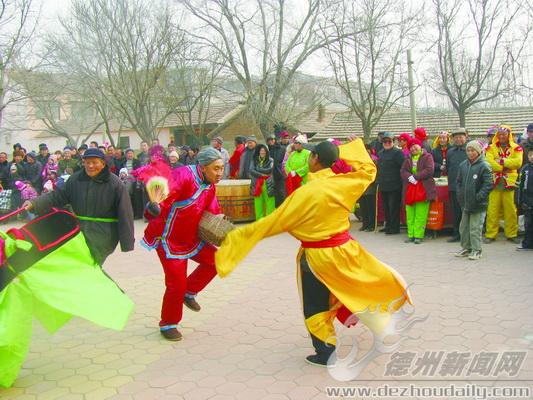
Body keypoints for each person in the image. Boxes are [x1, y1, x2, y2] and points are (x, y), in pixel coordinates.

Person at [215, 138, 411, 366]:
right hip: (346, 250)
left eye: (312, 155)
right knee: (356, 287)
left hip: (318, 258)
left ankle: (326, 351)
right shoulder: (346, 183)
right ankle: (382, 321)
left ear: (315, 158)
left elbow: (271, 223)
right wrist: (350, 148)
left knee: (315, 304)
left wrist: (236, 238)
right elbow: (368, 169)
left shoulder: (305, 194)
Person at [141, 148, 225, 341]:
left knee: (217, 260)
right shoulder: (183, 176)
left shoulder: (210, 185)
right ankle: (168, 324)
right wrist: (153, 208)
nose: (220, 173)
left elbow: (212, 210)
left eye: (222, 168)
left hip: (192, 238)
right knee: (175, 284)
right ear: (203, 167)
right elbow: (162, 197)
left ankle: (189, 291)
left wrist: (221, 224)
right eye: (216, 168)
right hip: (168, 239)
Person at [23, 148, 135, 265]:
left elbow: (125, 213)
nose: (90, 166)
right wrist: (34, 203)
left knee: (91, 262)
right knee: (81, 264)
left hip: (104, 233)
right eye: (87, 162)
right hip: (79, 230)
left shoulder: (114, 183)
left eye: (94, 162)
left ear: (102, 163)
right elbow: (57, 196)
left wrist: (127, 242)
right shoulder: (75, 180)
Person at [454, 141, 493, 260]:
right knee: (464, 227)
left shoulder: (484, 166)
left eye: (473, 150)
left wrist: (478, 197)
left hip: (478, 204)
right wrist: (460, 195)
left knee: (475, 228)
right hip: (465, 203)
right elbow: (459, 182)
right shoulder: (463, 165)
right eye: (468, 150)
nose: (470, 153)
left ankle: (477, 250)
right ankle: (466, 248)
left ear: (479, 151)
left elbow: (488, 185)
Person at [484, 125, 522, 244]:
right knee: (492, 210)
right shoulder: (490, 148)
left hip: (510, 183)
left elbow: (518, 163)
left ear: (509, 135)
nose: (501, 136)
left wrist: (501, 161)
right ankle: (490, 234)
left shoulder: (517, 148)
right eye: (499, 134)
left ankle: (511, 234)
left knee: (510, 210)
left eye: (504, 134)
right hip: (495, 183)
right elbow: (488, 162)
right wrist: (504, 166)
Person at [401, 138, 436, 244]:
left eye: (415, 145)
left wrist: (416, 177)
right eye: (411, 146)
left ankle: (418, 236)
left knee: (420, 214)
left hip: (423, 189)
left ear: (420, 146)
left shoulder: (428, 156)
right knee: (410, 213)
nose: (413, 148)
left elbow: (430, 170)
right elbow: (403, 171)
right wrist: (409, 177)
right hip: (410, 189)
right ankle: (411, 235)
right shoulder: (407, 158)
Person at [376, 132, 404, 235]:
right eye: (385, 141)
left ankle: (394, 228)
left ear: (393, 141)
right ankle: (388, 225)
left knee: (393, 207)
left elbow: (403, 167)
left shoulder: (398, 153)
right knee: (386, 207)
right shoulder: (381, 153)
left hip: (395, 185)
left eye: (389, 141)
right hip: (383, 184)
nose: (387, 143)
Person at [445, 128, 468, 242]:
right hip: (453, 186)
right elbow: (449, 168)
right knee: (456, 211)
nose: (458, 139)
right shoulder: (450, 152)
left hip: (467, 186)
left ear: (466, 137)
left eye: (461, 136)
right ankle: (456, 233)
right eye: (456, 137)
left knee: (466, 210)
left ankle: (467, 234)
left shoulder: (470, 150)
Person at [249, 144, 275, 220]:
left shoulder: (271, 160)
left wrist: (258, 169)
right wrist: (262, 175)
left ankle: (269, 222)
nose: (262, 152)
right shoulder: (254, 160)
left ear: (267, 152)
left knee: (270, 204)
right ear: (258, 151)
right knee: (258, 205)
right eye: (261, 150)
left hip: (268, 185)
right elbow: (251, 170)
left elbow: (269, 170)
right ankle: (259, 223)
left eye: (264, 150)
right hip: (257, 185)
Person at [517, 147, 533, 250]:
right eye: (530, 155)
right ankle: (527, 244)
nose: (532, 157)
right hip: (528, 202)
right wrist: (520, 200)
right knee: (528, 224)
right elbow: (520, 186)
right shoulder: (525, 169)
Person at [272, 131, 289, 206]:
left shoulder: (291, 147)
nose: (285, 139)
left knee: (284, 192)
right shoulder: (278, 148)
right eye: (284, 138)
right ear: (280, 139)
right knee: (279, 192)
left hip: (287, 172)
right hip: (278, 173)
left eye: (286, 138)